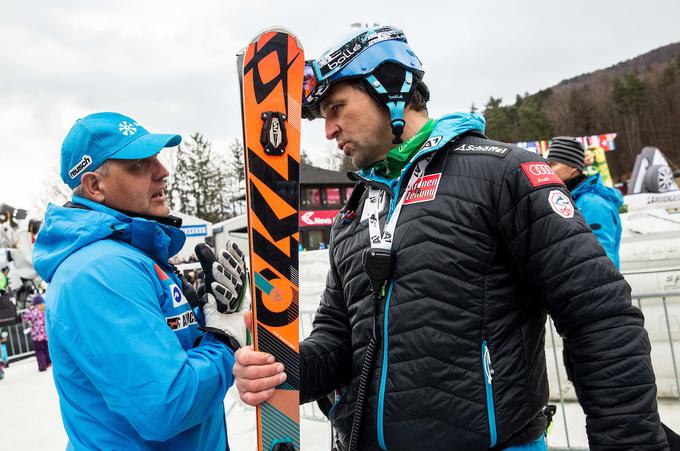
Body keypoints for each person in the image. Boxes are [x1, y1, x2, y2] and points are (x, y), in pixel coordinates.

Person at [233, 26, 668, 450]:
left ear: (389, 88)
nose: (328, 130)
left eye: (336, 108)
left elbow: (600, 318)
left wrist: (629, 441)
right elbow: (338, 339)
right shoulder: (354, 212)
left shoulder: (502, 174)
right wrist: (284, 369)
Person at [32, 112, 248, 450]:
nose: (162, 171)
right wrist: (223, 341)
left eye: (157, 159)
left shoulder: (131, 256)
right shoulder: (100, 271)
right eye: (138, 165)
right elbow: (168, 405)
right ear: (94, 186)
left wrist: (208, 319)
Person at [545, 137, 624, 268]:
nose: (547, 170)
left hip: (592, 287)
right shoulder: (566, 201)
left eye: (553, 164)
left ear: (573, 169)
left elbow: (601, 262)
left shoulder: (593, 204)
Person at [21, 291, 51, 371]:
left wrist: (28, 309)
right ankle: (48, 362)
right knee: (47, 349)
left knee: (39, 351)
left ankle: (42, 366)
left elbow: (25, 318)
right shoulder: (45, 309)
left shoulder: (33, 311)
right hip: (45, 334)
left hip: (37, 336)